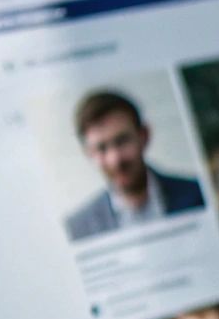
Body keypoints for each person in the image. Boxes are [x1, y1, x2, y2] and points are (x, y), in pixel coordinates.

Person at [64, 90, 206, 241]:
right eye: (101, 148)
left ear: (144, 136)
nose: (115, 160)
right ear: (89, 153)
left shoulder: (200, 194)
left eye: (122, 141)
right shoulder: (77, 229)